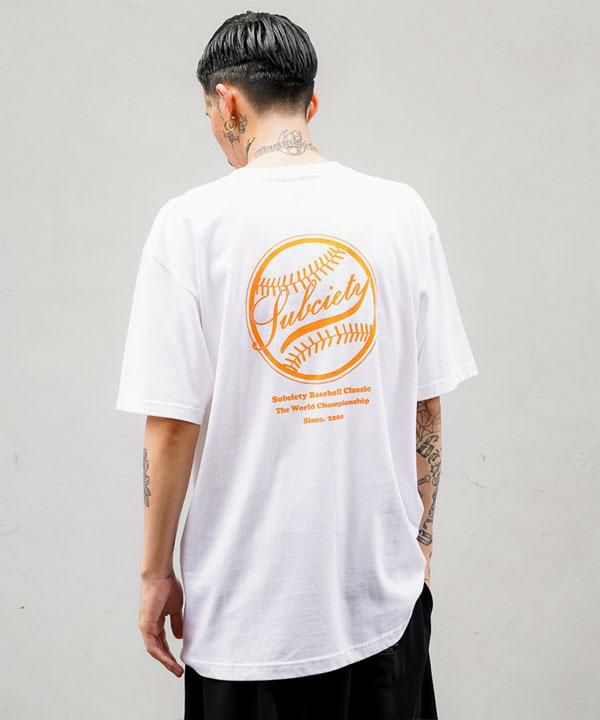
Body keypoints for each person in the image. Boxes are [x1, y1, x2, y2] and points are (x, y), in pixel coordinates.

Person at [115, 10, 478, 720]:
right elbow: (426, 405)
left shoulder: (188, 226)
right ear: (311, 103)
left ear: (227, 103)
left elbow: (172, 427)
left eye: (209, 113)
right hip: (384, 605)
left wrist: (155, 573)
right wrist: (420, 549)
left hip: (248, 619)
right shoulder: (401, 212)